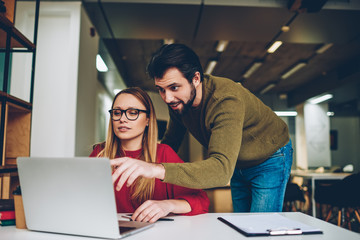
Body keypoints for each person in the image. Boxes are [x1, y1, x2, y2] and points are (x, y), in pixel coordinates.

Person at [111, 44, 293, 213]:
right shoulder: (177, 101)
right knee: (244, 226)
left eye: (174, 87)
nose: (167, 98)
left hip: (270, 157)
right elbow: (170, 143)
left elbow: (221, 170)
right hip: (237, 161)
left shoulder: (225, 100)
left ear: (196, 78)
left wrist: (156, 169)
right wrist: (140, 164)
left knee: (261, 228)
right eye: (161, 89)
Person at [90, 87, 209, 222]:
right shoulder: (99, 154)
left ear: (148, 119)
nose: (122, 119)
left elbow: (201, 200)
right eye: (117, 113)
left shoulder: (164, 154)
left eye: (132, 112)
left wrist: (168, 205)